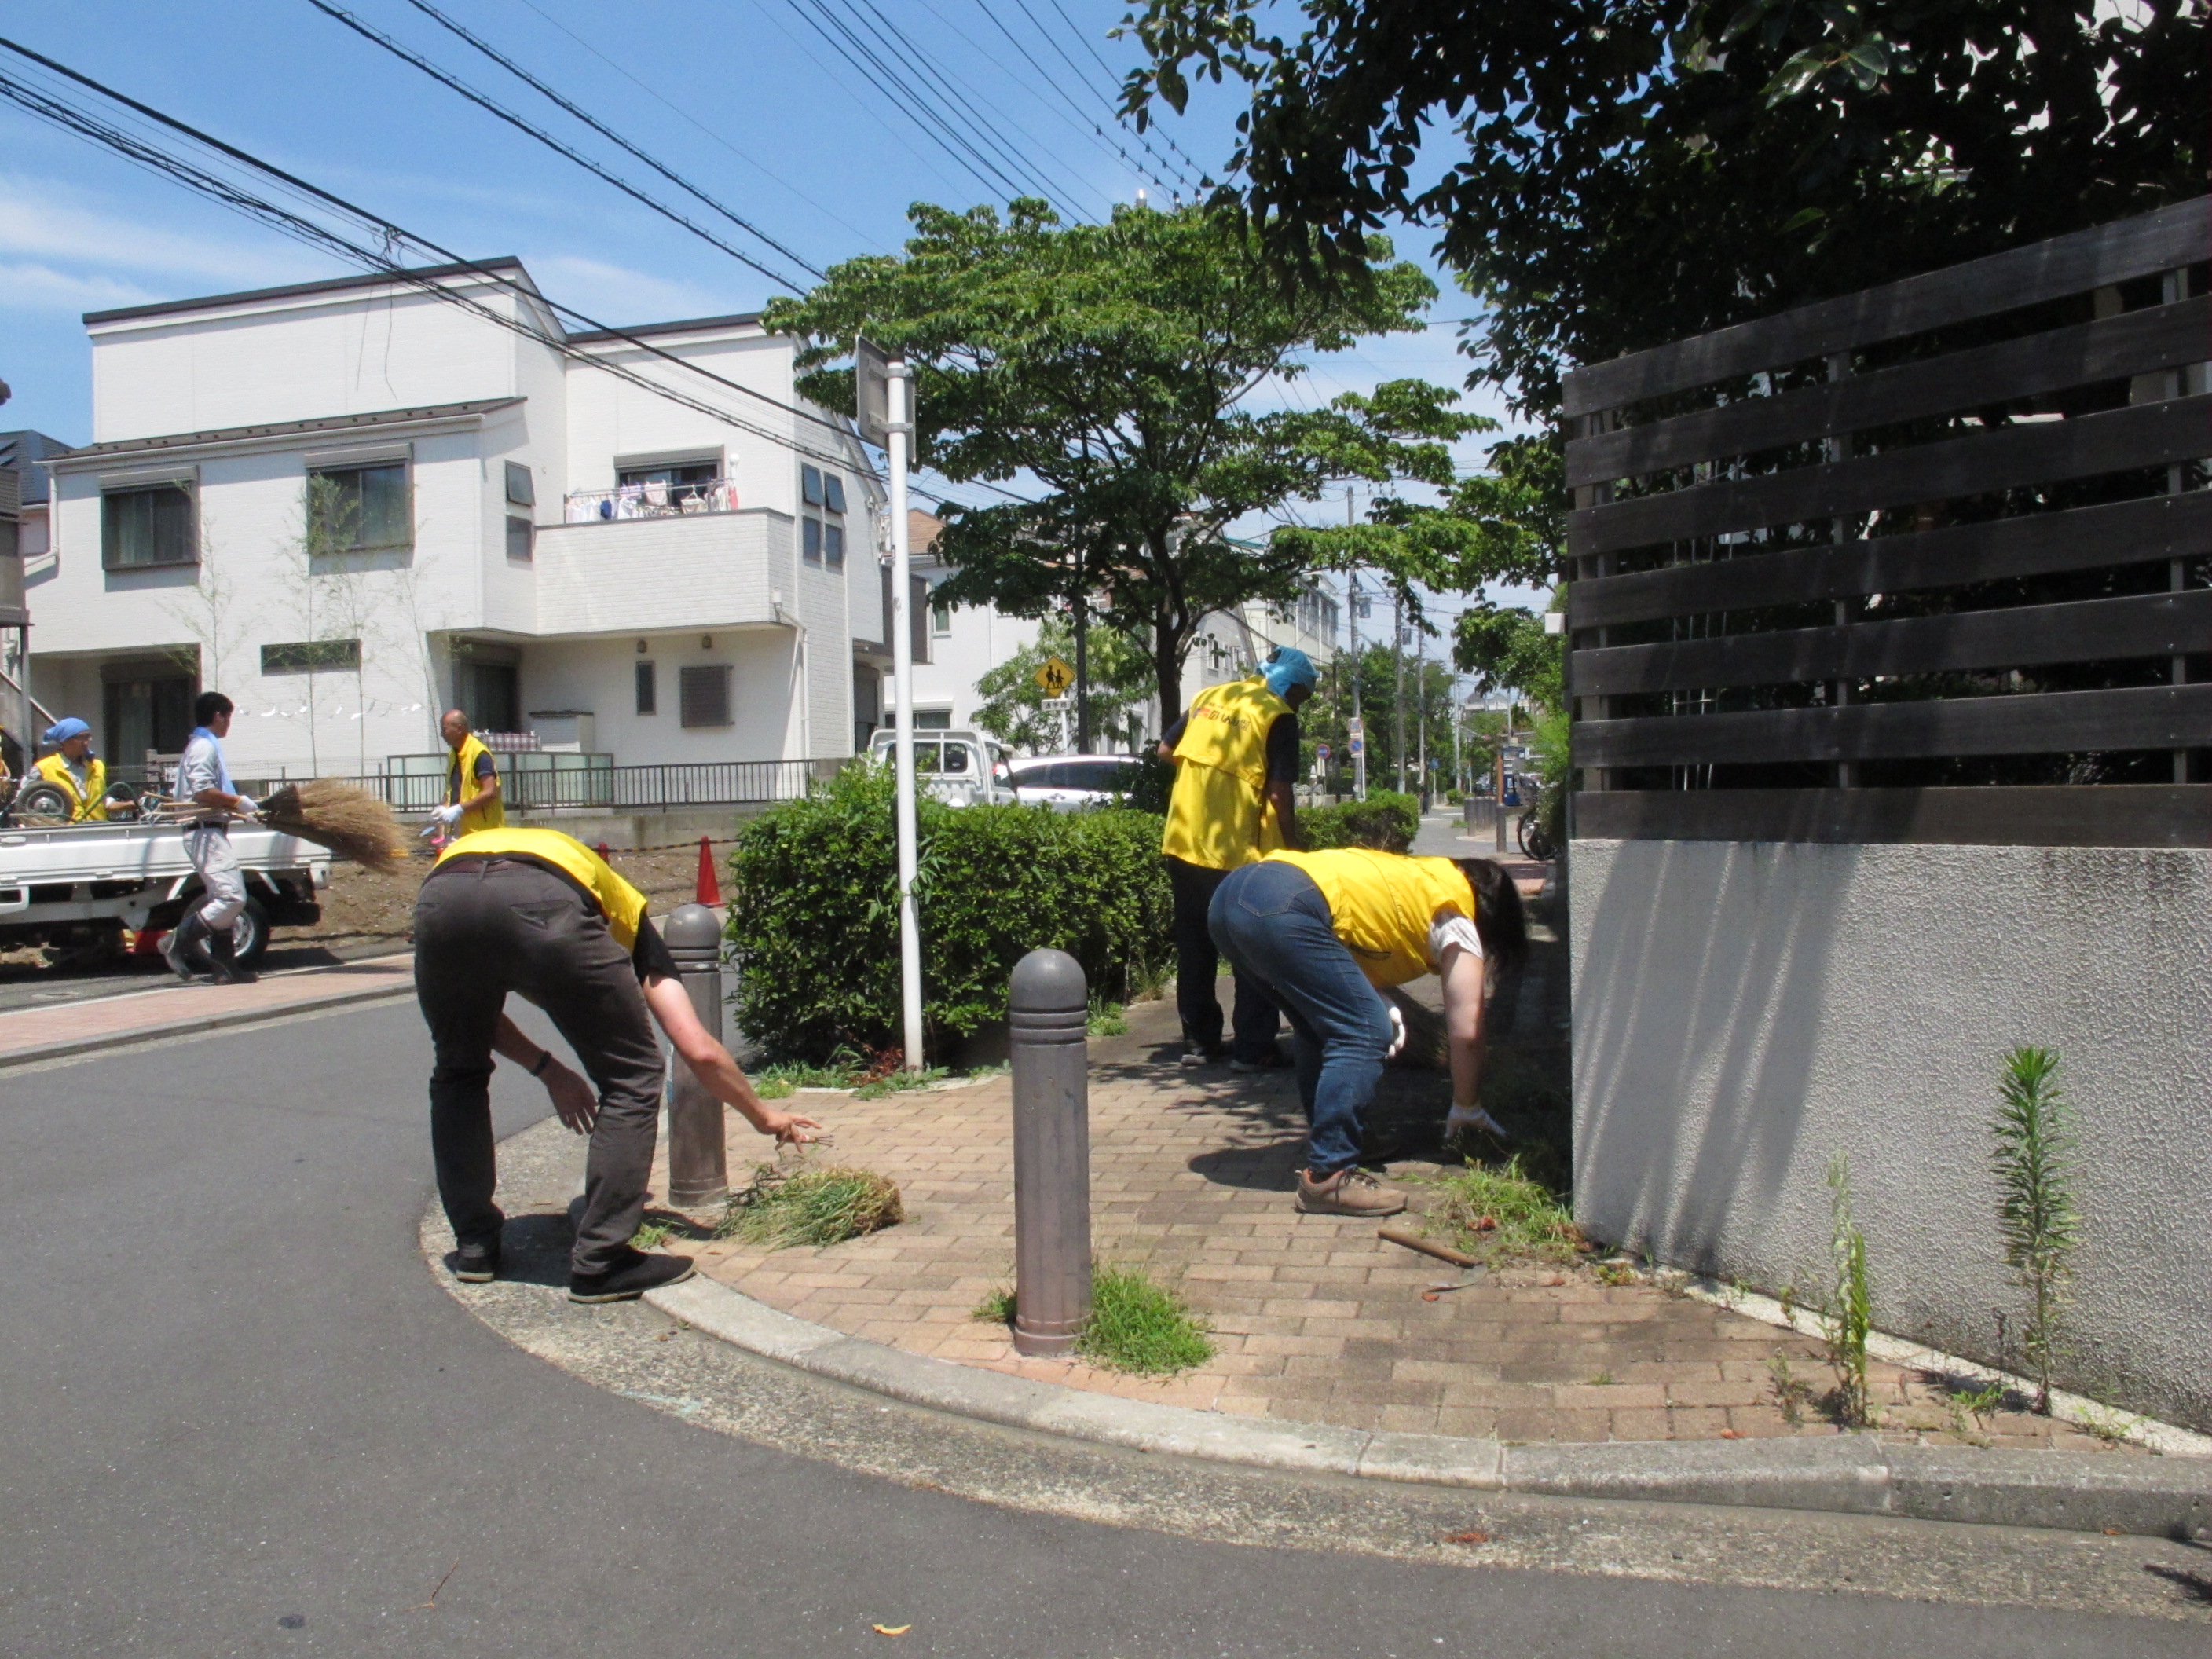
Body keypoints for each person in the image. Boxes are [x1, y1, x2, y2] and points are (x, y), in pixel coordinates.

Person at [413, 824, 821, 1302]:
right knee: (633, 1076)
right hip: (546, 900)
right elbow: (697, 1046)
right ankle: (601, 1262)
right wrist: (766, 1116)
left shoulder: (520, 853)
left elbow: (480, 1020)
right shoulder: (626, 911)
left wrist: (549, 1069)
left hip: (441, 896)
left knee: (458, 1071)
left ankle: (475, 1246)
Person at [1210, 847, 1528, 1217]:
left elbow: (1348, 944)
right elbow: (1468, 1030)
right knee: (1364, 1031)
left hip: (1230, 898)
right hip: (1280, 904)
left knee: (1320, 1028)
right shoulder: (1455, 912)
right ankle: (1329, 1175)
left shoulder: (1418, 878)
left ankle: (1341, 1141)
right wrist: (1467, 1106)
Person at [1156, 646, 1317, 1070]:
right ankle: (1254, 1048)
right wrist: (1294, 846)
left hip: (1183, 840)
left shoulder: (1209, 698)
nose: (1299, 704)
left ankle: (1199, 1044)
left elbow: (1165, 751)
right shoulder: (1276, 716)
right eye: (1303, 695)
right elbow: (1280, 793)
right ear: (1290, 685)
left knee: (1195, 948)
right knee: (1253, 949)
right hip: (1236, 852)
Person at [161, 692, 261, 986]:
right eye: (228, 717)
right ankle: (175, 942)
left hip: (208, 830)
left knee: (222, 898)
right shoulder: (204, 747)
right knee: (232, 897)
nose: (229, 724)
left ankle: (225, 967)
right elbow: (202, 791)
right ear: (218, 715)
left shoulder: (201, 744)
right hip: (204, 830)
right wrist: (237, 801)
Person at [430, 709, 504, 838]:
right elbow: (452, 789)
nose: (442, 734)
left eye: (445, 729)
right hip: (459, 831)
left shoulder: (479, 753)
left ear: (459, 729)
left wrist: (459, 809)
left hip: (482, 833)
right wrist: (443, 808)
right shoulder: (454, 753)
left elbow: (490, 792)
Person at [33, 718, 109, 821]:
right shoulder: (44, 768)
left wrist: (133, 804)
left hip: (97, 832)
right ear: (65, 740)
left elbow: (104, 802)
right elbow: (23, 801)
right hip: (66, 833)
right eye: (81, 738)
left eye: (88, 737)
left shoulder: (97, 766)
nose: (86, 742)